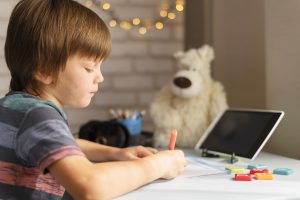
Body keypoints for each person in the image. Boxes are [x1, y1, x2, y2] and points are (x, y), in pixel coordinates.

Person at [0, 0, 186, 199]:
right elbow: (90, 186)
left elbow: (65, 143)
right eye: (89, 67)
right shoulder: (38, 116)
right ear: (44, 70)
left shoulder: (14, 109)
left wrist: (115, 154)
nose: (100, 77)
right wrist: (158, 166)